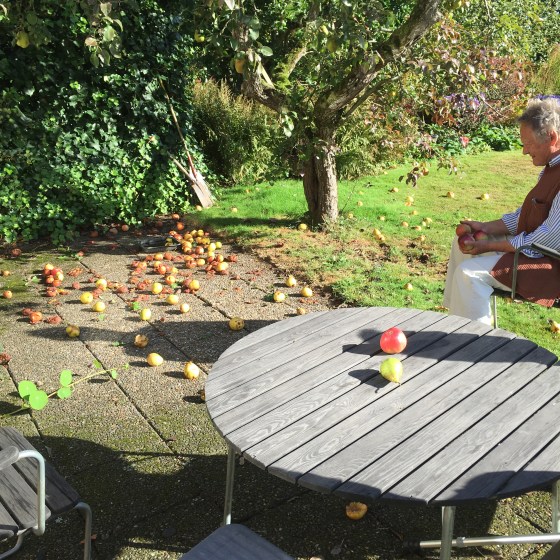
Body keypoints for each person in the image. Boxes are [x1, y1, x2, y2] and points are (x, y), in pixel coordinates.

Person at [443, 97, 560, 325]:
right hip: (535, 253)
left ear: (552, 137)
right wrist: (484, 228)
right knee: (461, 248)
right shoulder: (550, 169)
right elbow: (523, 216)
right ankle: (457, 325)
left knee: (469, 274)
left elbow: (548, 238)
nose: (524, 151)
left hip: (550, 265)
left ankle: (475, 340)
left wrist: (489, 245)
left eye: (528, 143)